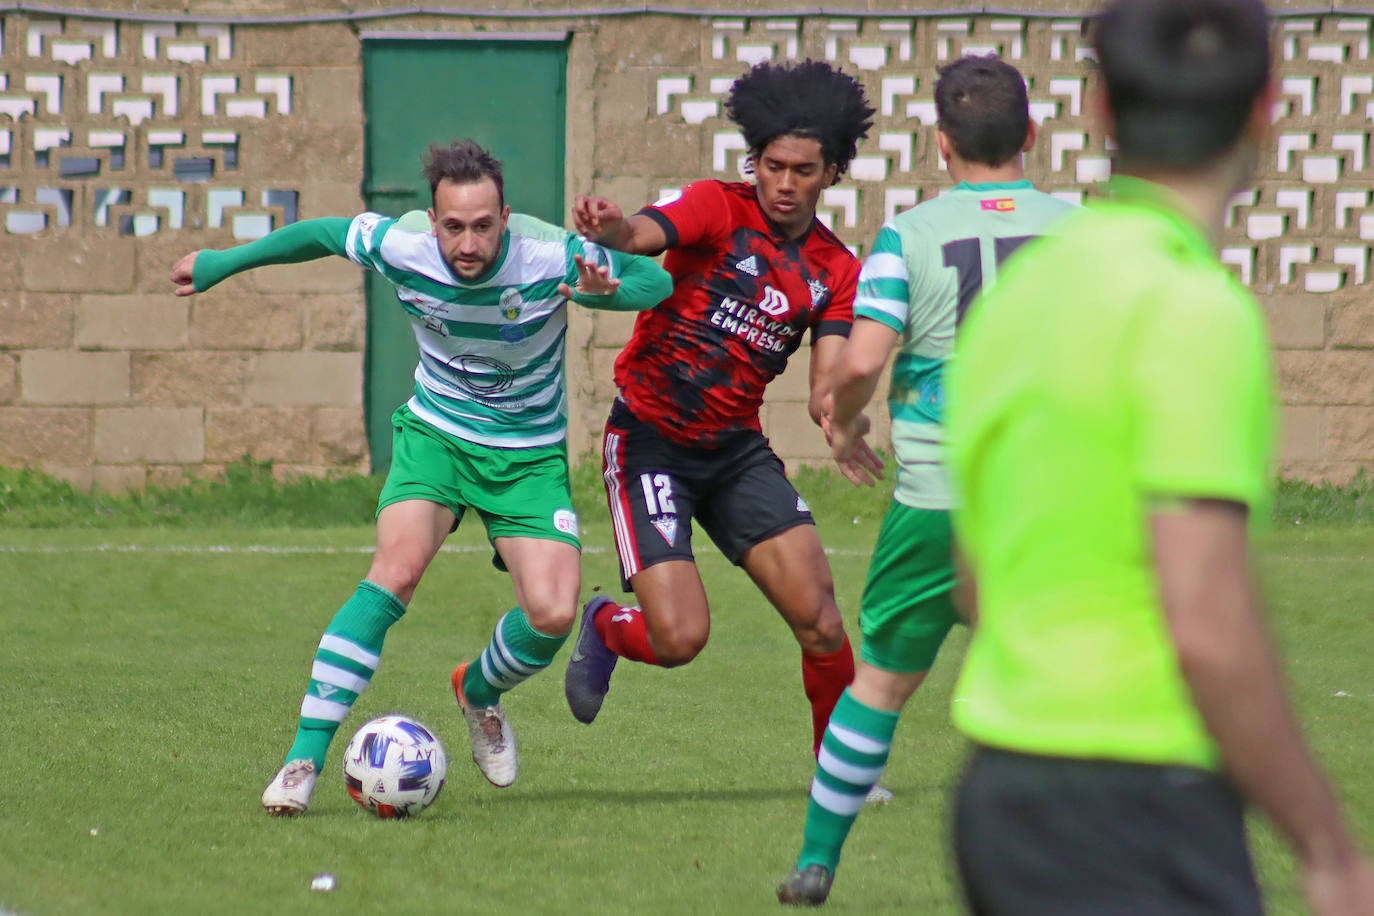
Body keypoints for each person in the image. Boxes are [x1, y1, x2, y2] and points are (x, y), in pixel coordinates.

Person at [944, 1, 1374, 913]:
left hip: (1001, 796)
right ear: (1269, 107)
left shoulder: (1021, 296)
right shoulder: (1192, 310)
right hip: (1136, 802)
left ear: (1099, 106)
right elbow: (1207, 626)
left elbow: (976, 581)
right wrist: (1329, 848)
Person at [169, 139, 672, 815]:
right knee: (395, 573)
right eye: (454, 226)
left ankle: (479, 692)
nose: (469, 243)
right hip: (435, 437)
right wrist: (222, 264)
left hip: (526, 457)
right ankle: (302, 761)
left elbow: (656, 284)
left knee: (552, 614)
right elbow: (320, 233)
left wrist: (602, 293)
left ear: (506, 217)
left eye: (484, 225)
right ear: (432, 221)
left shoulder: (549, 253)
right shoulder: (400, 243)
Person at [775, 54, 1075, 906]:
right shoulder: (1084, 235)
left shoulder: (908, 236)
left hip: (939, 500)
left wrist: (848, 417)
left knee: (881, 682)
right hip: (1048, 504)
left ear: (941, 143)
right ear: (1031, 135)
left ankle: (816, 859)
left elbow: (863, 358)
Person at [563, 61, 882, 769]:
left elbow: (825, 379)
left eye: (804, 170)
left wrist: (840, 420)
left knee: (821, 619)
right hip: (649, 442)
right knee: (679, 640)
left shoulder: (835, 270)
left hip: (735, 452)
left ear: (832, 173)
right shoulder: (717, 206)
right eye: (773, 166)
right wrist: (613, 229)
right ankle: (609, 625)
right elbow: (644, 235)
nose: (786, 183)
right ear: (756, 162)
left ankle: (842, 776)